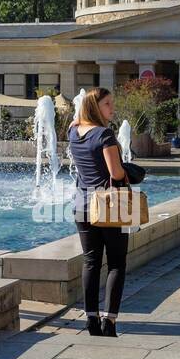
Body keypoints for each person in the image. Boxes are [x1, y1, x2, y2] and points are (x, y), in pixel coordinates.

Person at [68, 88, 129, 336]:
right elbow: (115, 174)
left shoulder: (73, 131)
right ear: (95, 107)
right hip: (109, 206)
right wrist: (129, 172)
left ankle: (91, 319)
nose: (112, 108)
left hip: (82, 205)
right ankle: (110, 321)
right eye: (107, 104)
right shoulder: (104, 134)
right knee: (116, 265)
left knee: (91, 262)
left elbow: (76, 121)